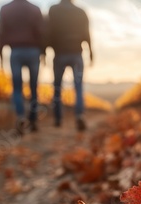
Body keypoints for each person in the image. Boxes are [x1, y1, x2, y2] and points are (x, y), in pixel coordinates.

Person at [0, 0, 45, 133]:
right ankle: (33, 120)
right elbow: (41, 32)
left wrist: (1, 55)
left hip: (16, 51)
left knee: (17, 88)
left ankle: (20, 116)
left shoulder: (6, 9)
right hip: (33, 51)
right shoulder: (35, 9)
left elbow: (1, 33)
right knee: (34, 88)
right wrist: (44, 52)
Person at [47, 0, 93, 131]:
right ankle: (79, 115)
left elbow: (48, 31)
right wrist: (90, 52)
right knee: (78, 87)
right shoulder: (80, 11)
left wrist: (44, 50)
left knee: (57, 87)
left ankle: (57, 118)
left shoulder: (53, 10)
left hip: (59, 53)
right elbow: (87, 33)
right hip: (76, 53)